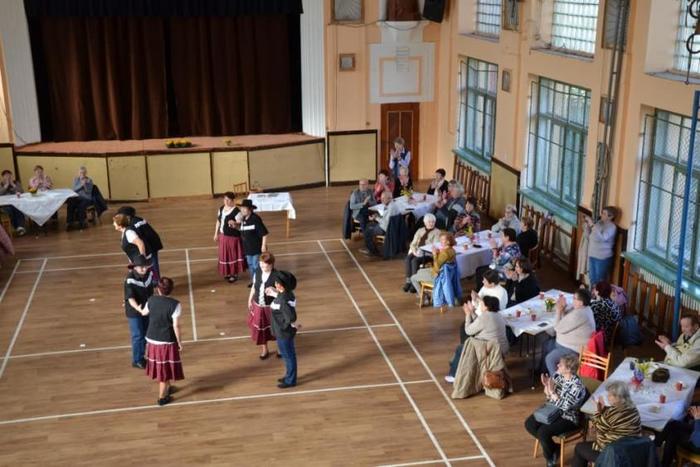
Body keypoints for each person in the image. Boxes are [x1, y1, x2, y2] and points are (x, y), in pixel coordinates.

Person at [525, 355, 587, 467]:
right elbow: (549, 397)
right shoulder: (558, 375)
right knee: (529, 424)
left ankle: (550, 459)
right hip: (553, 410)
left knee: (543, 432)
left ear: (568, 369)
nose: (557, 365)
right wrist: (546, 387)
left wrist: (552, 392)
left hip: (568, 417)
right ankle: (554, 448)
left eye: (561, 365)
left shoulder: (577, 386)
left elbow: (565, 407)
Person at [572, 381, 641, 467]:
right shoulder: (633, 409)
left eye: (610, 395)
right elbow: (611, 418)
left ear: (618, 397)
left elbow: (597, 428)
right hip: (630, 451)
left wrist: (598, 411)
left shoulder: (614, 412)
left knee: (579, 447)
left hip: (613, 455)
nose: (607, 397)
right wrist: (603, 409)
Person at [138, 276, 184, 406]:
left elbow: (144, 313)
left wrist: (137, 307)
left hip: (152, 340)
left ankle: (168, 388)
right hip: (166, 342)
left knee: (163, 366)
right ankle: (162, 398)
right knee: (164, 370)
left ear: (158, 289)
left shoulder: (151, 300)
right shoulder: (175, 304)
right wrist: (179, 342)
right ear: (171, 289)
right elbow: (176, 326)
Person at [445, 296, 508, 382]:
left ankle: (454, 375)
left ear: (486, 307)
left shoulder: (485, 316)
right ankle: (455, 363)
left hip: (489, 349)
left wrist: (468, 314)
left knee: (461, 348)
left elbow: (468, 331)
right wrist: (472, 312)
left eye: (482, 304)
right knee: (464, 346)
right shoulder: (498, 315)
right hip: (501, 348)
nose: (480, 306)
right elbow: (479, 322)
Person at [541, 288, 596, 376]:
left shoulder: (579, 315)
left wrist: (559, 311)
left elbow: (557, 328)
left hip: (574, 350)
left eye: (574, 298)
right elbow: (566, 320)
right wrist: (563, 309)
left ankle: (557, 382)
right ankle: (543, 372)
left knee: (550, 359)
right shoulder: (584, 308)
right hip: (567, 344)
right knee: (546, 345)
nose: (572, 300)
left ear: (581, 302)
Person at [267, 270, 298, 388]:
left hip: (283, 333)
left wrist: (285, 326)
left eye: (277, 283)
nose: (275, 284)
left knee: (288, 356)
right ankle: (289, 376)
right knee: (287, 356)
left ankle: (291, 380)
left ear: (282, 285)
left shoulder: (284, 300)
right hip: (283, 332)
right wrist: (275, 293)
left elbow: (291, 317)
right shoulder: (285, 294)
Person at [123, 255, 155, 369]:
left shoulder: (149, 274)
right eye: (141, 267)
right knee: (138, 335)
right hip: (134, 312)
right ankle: (137, 360)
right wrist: (139, 309)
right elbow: (130, 299)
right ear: (135, 267)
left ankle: (143, 355)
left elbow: (152, 290)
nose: (144, 269)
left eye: (145, 266)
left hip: (146, 309)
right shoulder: (129, 279)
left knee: (146, 333)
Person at [116, 207, 163, 278]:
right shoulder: (138, 219)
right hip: (153, 243)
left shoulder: (131, 225)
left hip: (151, 245)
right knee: (153, 264)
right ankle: (156, 278)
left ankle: (156, 280)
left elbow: (139, 241)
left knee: (151, 265)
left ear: (127, 216)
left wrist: (142, 257)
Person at [247, 252, 278, 359]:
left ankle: (280, 348)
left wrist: (275, 291)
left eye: (265, 265)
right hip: (258, 306)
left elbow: (283, 294)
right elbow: (254, 287)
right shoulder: (258, 271)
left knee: (275, 328)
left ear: (271, 264)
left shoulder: (277, 276)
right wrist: (250, 299)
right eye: (261, 264)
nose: (262, 267)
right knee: (261, 328)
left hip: (272, 307)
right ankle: (265, 349)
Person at [403, 213, 441, 293]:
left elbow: (434, 245)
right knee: (408, 259)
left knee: (414, 261)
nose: (431, 223)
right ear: (425, 222)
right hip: (417, 251)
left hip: (428, 253)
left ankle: (414, 284)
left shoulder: (437, 232)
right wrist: (414, 251)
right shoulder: (420, 230)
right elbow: (413, 243)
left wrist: (422, 250)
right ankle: (408, 281)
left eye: (433, 222)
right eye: (429, 222)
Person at [213, 192, 246, 283]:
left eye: (228, 200)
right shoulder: (221, 209)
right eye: (225, 199)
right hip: (223, 236)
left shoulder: (237, 211)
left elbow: (240, 226)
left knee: (233, 256)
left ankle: (234, 274)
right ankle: (228, 272)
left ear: (232, 200)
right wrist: (216, 233)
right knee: (225, 255)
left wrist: (234, 224)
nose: (226, 201)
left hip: (233, 237)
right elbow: (218, 221)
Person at [238, 199, 269, 288]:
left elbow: (264, 233)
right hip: (248, 248)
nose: (242, 210)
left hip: (256, 247)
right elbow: (244, 230)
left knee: (256, 266)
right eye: (241, 208)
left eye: (244, 208)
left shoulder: (255, 219)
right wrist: (235, 226)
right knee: (251, 265)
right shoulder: (244, 219)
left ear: (250, 209)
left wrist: (263, 245)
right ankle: (254, 281)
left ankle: (259, 282)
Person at [359, 190, 400, 257]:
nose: (381, 201)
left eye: (383, 199)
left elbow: (386, 223)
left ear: (389, 198)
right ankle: (370, 247)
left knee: (367, 232)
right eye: (381, 199)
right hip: (392, 227)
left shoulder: (390, 208)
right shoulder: (394, 205)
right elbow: (387, 218)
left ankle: (373, 251)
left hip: (385, 229)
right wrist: (378, 217)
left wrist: (376, 218)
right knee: (369, 225)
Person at [585, 206, 618, 285]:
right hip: (592, 255)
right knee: (592, 279)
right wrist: (587, 226)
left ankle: (597, 293)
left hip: (602, 258)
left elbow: (603, 237)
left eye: (604, 213)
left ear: (611, 216)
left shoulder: (612, 227)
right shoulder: (599, 222)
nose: (601, 215)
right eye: (602, 213)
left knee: (599, 282)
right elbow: (590, 236)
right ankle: (592, 293)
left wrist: (592, 225)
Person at [66, 166, 93, 231]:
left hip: (86, 198)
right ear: (79, 173)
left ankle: (82, 222)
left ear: (86, 173)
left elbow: (88, 192)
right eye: (81, 173)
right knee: (70, 202)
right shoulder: (76, 179)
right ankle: (70, 222)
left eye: (83, 173)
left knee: (81, 206)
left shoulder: (89, 180)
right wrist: (81, 185)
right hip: (77, 197)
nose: (82, 174)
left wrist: (85, 185)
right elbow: (73, 190)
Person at [0, 170, 26, 236]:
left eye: (9, 175)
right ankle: (16, 227)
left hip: (15, 203)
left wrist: (13, 185)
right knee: (10, 210)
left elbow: (22, 191)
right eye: (6, 176)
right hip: (5, 205)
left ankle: (20, 227)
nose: (8, 177)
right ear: (3, 177)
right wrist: (6, 186)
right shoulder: (1, 184)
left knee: (18, 209)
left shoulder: (16, 183)